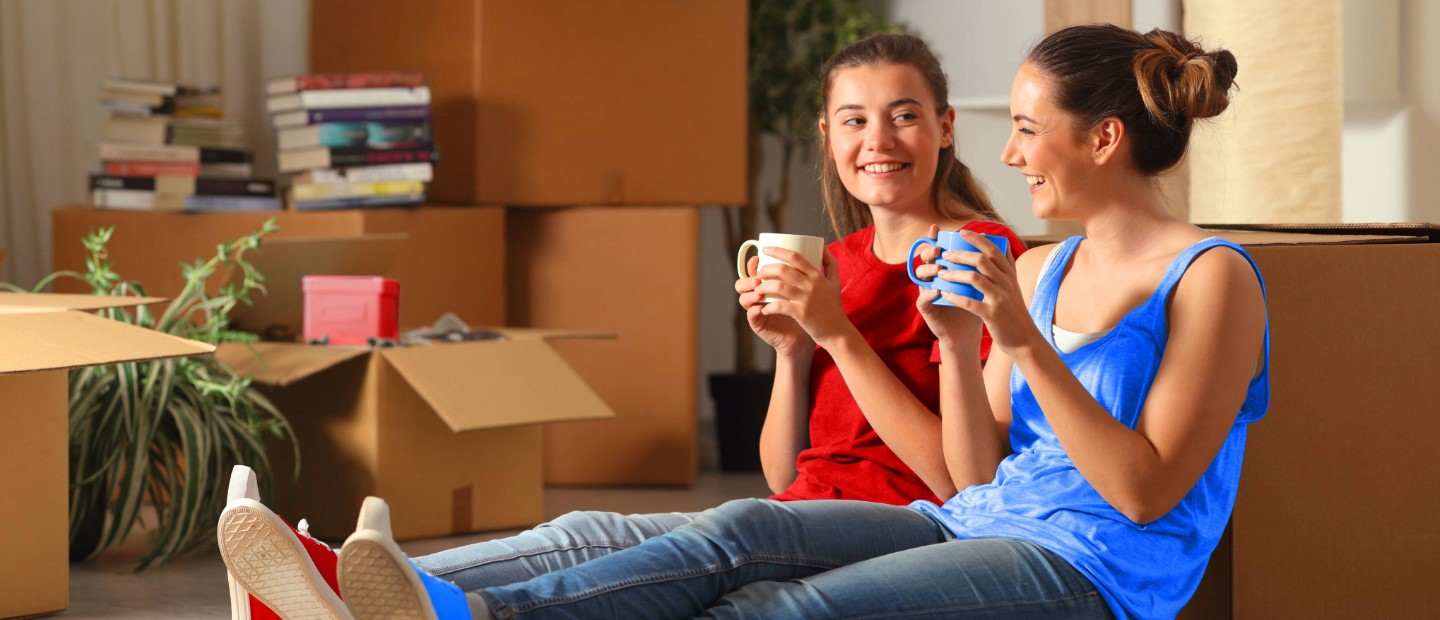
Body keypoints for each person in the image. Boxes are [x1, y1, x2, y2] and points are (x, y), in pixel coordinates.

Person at [313, 23, 1266, 619]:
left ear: (1102, 139)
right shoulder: (1047, 269)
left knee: (778, 609)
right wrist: (958, 343)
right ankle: (463, 611)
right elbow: (976, 476)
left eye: (1027, 127)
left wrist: (1015, 344)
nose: (1012, 152)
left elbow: (1144, 494)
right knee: (729, 533)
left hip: (1093, 571)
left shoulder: (1211, 279)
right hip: (974, 520)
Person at [218, 32, 1026, 619]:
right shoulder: (837, 260)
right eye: (853, 120)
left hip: (910, 524)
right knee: (592, 528)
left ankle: (437, 607)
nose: (877, 141)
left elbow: (963, 483)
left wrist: (839, 337)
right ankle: (330, 581)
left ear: (946, 127)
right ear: (828, 135)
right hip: (807, 507)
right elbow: (789, 474)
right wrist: (790, 351)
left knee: (728, 529)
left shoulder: (982, 254)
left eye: (904, 115)